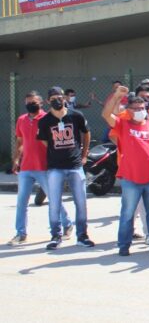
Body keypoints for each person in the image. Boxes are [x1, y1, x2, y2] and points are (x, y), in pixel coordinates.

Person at [102, 90, 149, 256]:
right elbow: (106, 114)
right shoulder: (123, 125)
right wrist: (117, 96)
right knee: (127, 214)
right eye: (136, 108)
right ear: (129, 111)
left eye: (142, 107)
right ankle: (124, 245)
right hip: (130, 178)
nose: (140, 111)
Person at [8, 91, 73, 245]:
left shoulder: (48, 118)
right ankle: (20, 233)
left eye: (34, 101)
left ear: (41, 103)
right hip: (26, 167)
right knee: (21, 202)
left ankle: (67, 224)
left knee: (53, 199)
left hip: (45, 166)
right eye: (28, 101)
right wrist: (16, 159)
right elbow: (19, 141)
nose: (31, 104)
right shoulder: (21, 120)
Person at [37, 86, 94, 250]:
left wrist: (83, 154)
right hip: (55, 167)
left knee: (81, 202)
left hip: (75, 166)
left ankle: (82, 236)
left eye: (60, 97)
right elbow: (44, 140)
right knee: (54, 202)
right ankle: (56, 235)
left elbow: (86, 132)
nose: (57, 100)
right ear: (48, 101)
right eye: (53, 98)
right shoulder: (45, 121)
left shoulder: (76, 115)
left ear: (64, 98)